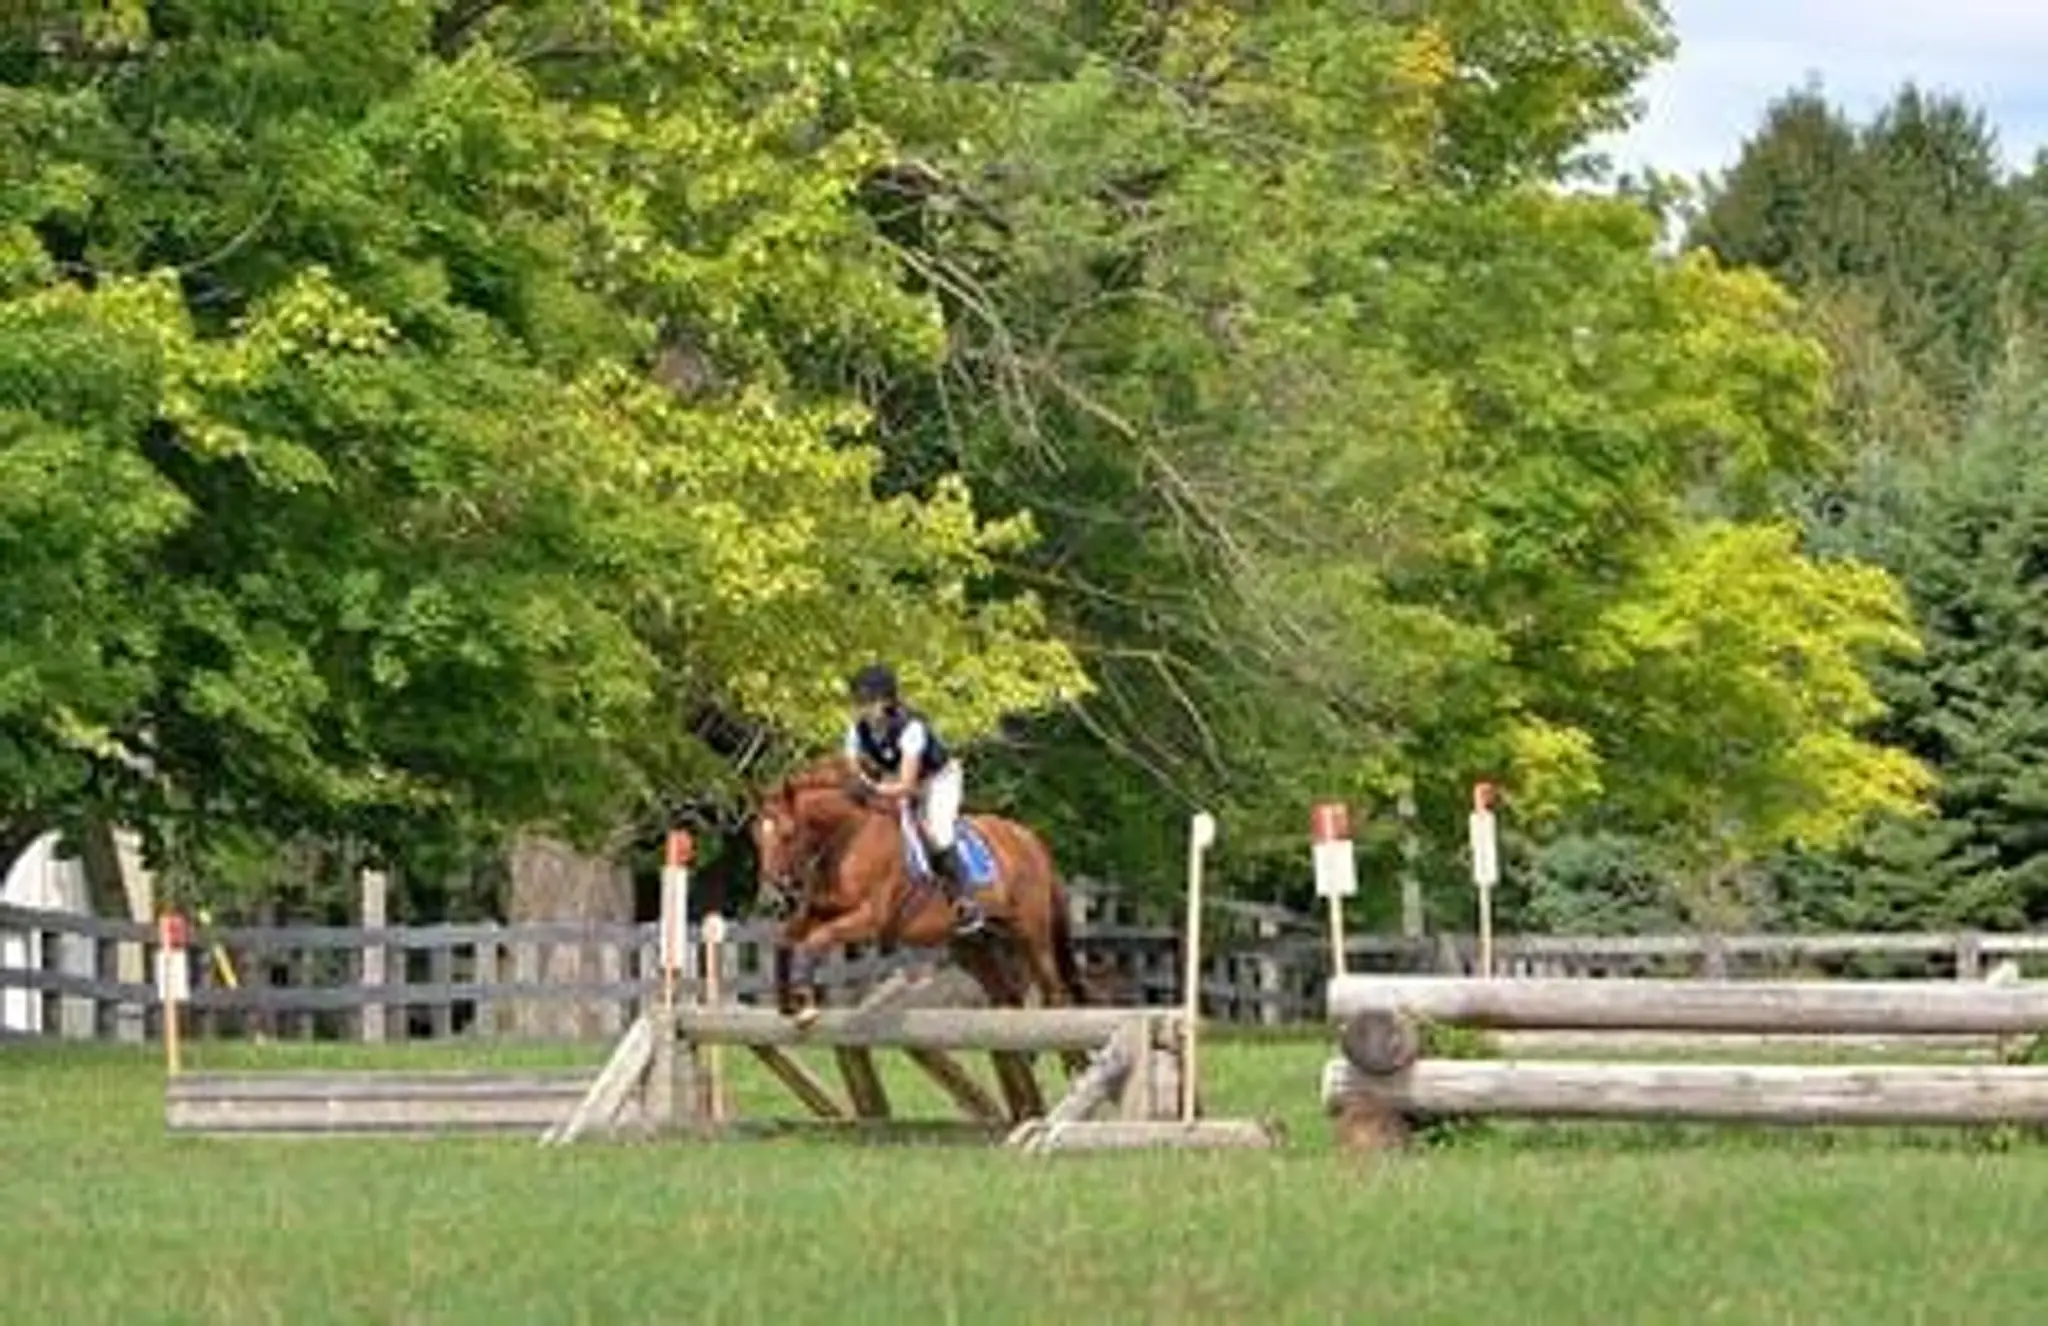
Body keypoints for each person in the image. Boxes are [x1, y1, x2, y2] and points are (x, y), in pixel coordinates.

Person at [842, 663, 984, 934]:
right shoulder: (856, 730)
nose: (862, 709)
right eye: (858, 702)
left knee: (936, 831)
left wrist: (872, 787)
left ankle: (966, 900)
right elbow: (852, 768)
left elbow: (907, 785)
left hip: (938, 780)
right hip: (893, 779)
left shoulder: (911, 728)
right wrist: (859, 784)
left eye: (868, 702)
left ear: (886, 702)